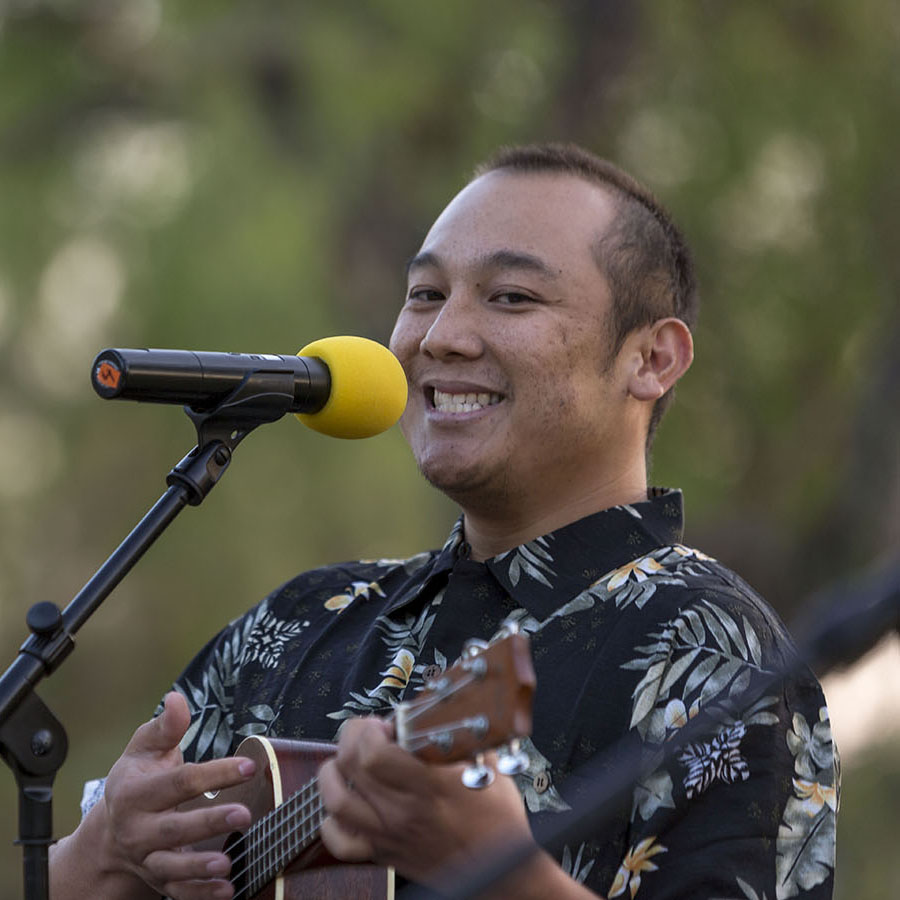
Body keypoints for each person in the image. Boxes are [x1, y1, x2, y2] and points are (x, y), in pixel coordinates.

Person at [49, 143, 839, 899]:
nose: (439, 337)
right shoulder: (297, 624)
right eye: (425, 294)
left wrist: (501, 875)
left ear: (652, 359)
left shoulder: (712, 650)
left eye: (511, 297)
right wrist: (104, 852)